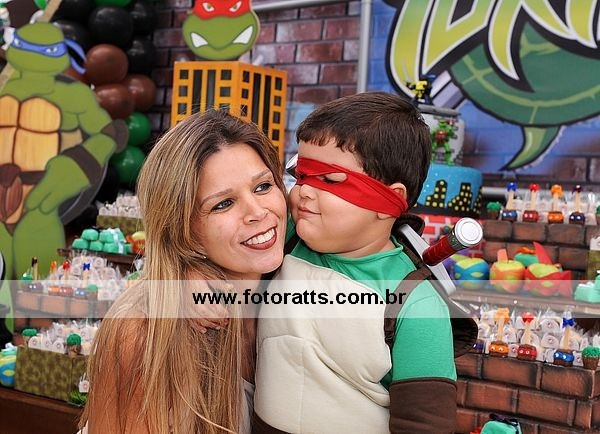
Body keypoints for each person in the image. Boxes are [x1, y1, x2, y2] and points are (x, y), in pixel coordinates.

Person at [254, 92, 474, 433]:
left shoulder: (416, 304)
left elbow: (425, 424)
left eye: (329, 180)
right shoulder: (284, 239)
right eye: (302, 176)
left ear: (389, 202)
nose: (305, 191)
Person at [80, 110, 287, 434]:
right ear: (182, 228)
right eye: (223, 204)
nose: (258, 212)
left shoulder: (295, 284)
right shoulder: (144, 331)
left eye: (263, 186)